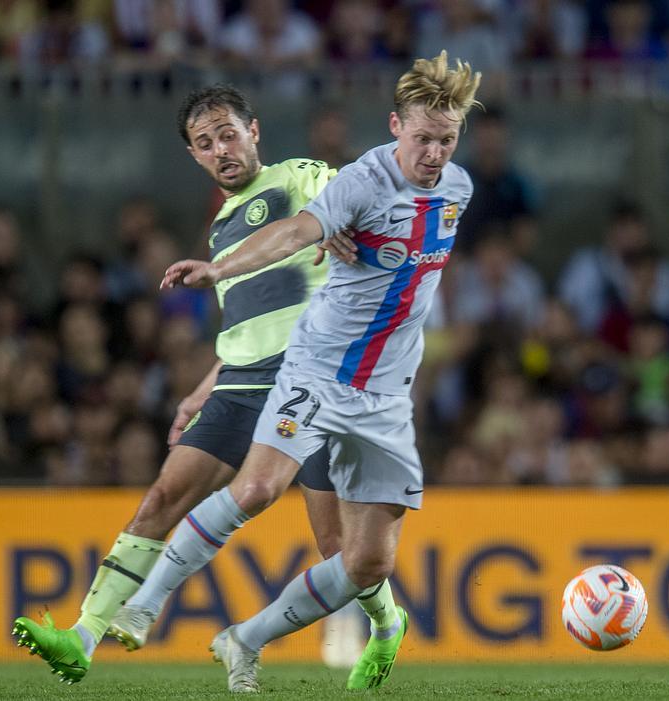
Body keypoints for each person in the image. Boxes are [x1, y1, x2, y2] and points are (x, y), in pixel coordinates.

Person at [11, 84, 400, 686]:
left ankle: (385, 623)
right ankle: (82, 636)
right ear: (195, 156)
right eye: (205, 142)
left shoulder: (297, 177)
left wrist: (337, 227)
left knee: (338, 549)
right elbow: (252, 323)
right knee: (161, 499)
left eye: (228, 134)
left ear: (254, 132)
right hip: (241, 383)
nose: (220, 148)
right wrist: (200, 389)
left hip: (315, 378)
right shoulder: (220, 227)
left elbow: (344, 202)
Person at [158, 51, 480, 693]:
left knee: (364, 563)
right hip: (319, 368)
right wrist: (220, 269)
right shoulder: (360, 182)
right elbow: (295, 230)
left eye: (446, 140)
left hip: (387, 395)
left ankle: (245, 638)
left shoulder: (457, 189)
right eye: (422, 138)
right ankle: (136, 609)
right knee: (255, 490)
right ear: (395, 126)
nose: (434, 153)